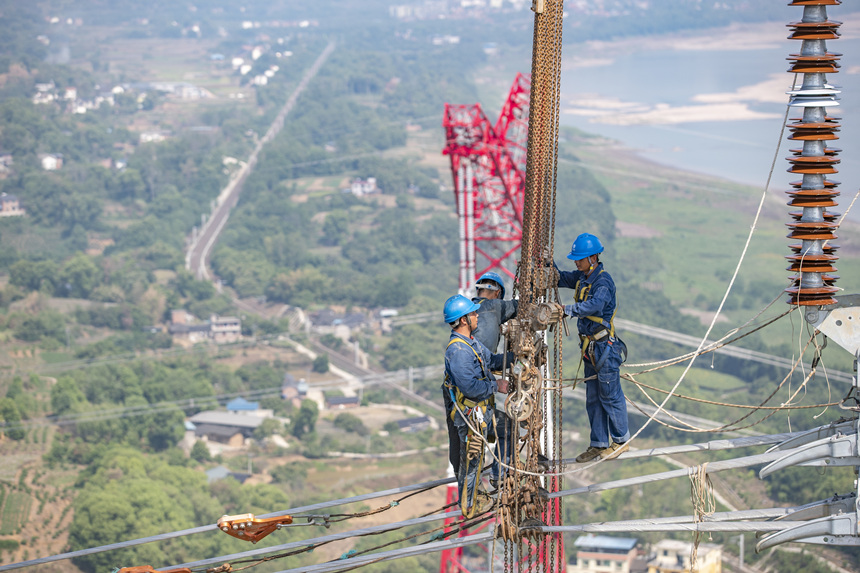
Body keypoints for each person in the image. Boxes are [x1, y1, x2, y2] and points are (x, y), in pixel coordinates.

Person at [555, 233, 629, 462]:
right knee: (594, 397)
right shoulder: (582, 277)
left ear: (593, 258)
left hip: (604, 347)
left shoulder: (603, 282)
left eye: (580, 259)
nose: (577, 262)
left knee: (610, 395)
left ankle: (621, 442)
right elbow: (560, 278)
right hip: (591, 348)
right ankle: (598, 443)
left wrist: (568, 309)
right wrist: (549, 265)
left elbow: (596, 304)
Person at [442, 294, 510, 517]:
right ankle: (470, 506)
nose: (477, 316)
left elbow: (491, 361)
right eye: (472, 313)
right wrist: (496, 386)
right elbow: (470, 388)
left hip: (481, 412)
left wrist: (514, 357)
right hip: (471, 416)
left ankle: (499, 476)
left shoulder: (471, 344)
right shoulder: (458, 352)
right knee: (471, 462)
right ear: (463, 320)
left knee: (507, 429)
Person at [471, 272, 518, 490]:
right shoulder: (495, 307)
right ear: (498, 293)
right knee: (507, 429)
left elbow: (487, 360)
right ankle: (500, 477)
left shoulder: (468, 312)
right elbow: (519, 307)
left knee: (470, 450)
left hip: (462, 401)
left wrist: (509, 359)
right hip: (477, 401)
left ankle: (472, 490)